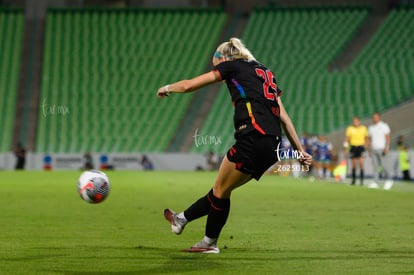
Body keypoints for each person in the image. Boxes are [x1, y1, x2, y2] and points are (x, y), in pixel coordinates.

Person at [156, 38, 312, 253]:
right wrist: (300, 151)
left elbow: (188, 85)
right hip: (272, 144)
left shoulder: (232, 66)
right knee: (222, 189)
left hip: (253, 138)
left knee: (221, 190)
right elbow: (283, 116)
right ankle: (181, 219)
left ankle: (209, 242)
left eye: (216, 65)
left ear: (225, 59)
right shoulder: (266, 74)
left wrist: (167, 88)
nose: (217, 71)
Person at [367, 112, 392, 185]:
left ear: (379, 118)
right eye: (373, 117)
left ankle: (389, 179)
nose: (374, 119)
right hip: (374, 148)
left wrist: (387, 147)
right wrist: (368, 149)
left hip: (382, 148)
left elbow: (387, 137)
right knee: (375, 166)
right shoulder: (371, 127)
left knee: (384, 165)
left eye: (376, 117)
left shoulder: (384, 126)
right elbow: (369, 138)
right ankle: (376, 181)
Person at [344, 117, 368, 185]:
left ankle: (361, 181)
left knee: (361, 164)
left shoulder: (363, 128)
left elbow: (366, 138)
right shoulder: (350, 129)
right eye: (354, 121)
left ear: (359, 121)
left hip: (361, 147)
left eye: (356, 121)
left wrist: (366, 146)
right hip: (353, 147)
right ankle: (353, 180)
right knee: (354, 165)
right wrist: (346, 148)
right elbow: (347, 139)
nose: (355, 123)